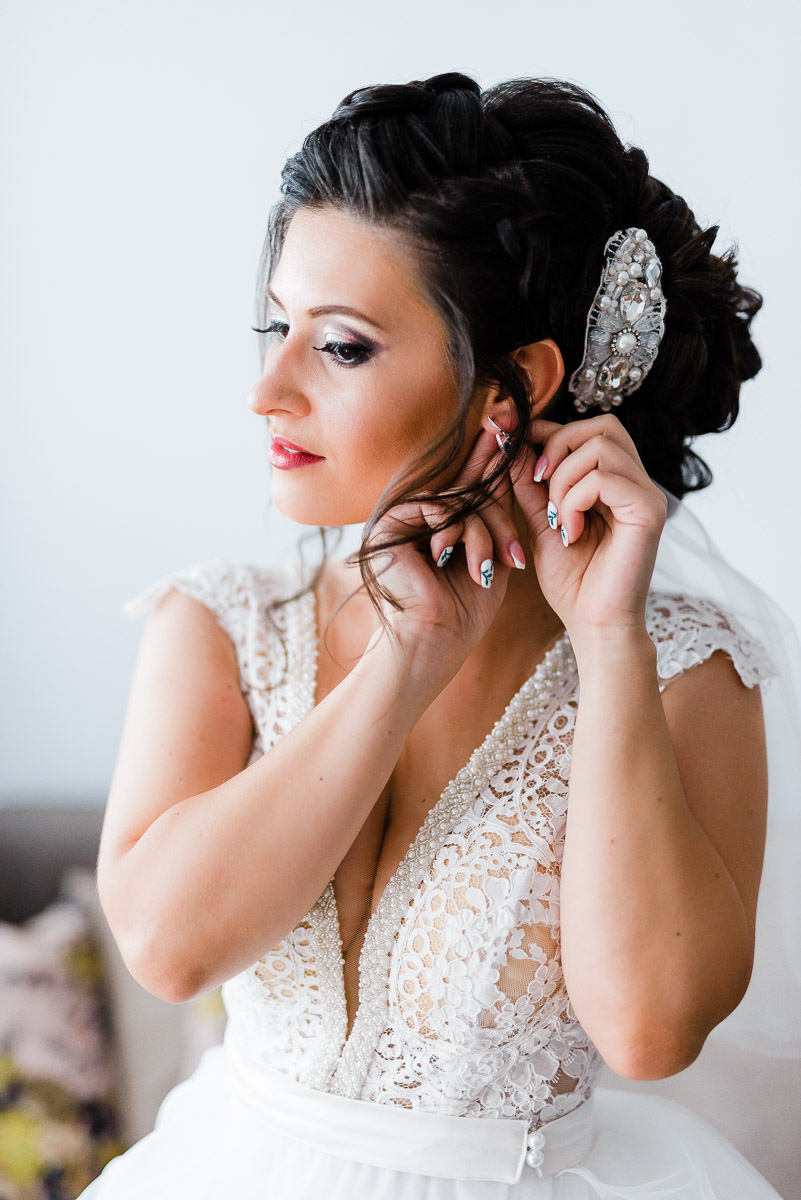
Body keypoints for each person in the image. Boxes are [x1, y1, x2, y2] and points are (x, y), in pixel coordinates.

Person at [80, 73, 801, 1198]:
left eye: (341, 346)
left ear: (514, 387)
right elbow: (169, 951)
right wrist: (403, 662)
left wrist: (609, 642)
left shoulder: (685, 673)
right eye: (277, 327)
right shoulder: (218, 623)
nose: (267, 390)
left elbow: (649, 1029)